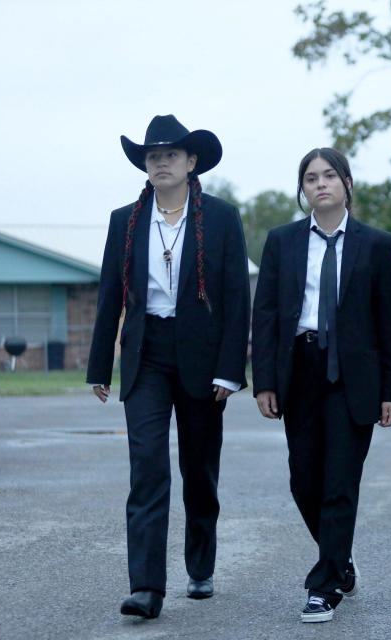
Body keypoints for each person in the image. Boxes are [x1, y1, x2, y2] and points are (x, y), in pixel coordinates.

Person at [86, 114, 250, 619]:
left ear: (190, 162)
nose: (160, 162)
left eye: (170, 155)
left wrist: (230, 370)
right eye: (152, 156)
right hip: (147, 355)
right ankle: (147, 588)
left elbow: (236, 297)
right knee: (149, 469)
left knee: (198, 470)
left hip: (202, 358)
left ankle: (200, 566)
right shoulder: (125, 220)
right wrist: (99, 366)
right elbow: (111, 294)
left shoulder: (220, 218)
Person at [251, 147, 391, 624]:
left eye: (330, 176)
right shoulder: (282, 241)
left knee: (340, 481)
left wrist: (390, 390)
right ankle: (339, 555)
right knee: (304, 478)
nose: (321, 184)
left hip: (355, 377)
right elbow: (268, 315)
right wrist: (264, 382)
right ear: (303, 190)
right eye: (311, 178)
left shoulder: (376, 245)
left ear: (347, 183)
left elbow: (386, 322)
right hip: (301, 370)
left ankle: (325, 583)